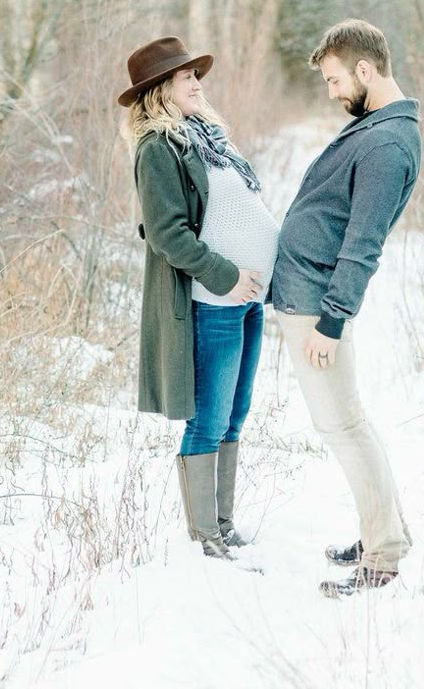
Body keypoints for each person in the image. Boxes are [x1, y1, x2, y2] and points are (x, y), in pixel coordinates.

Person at [272, 19, 421, 598]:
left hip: (317, 307)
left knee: (345, 427)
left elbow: (364, 243)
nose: (333, 93)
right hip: (306, 297)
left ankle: (382, 556)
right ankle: (384, 533)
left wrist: (331, 322)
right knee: (348, 424)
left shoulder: (386, 143)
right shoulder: (376, 127)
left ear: (365, 70)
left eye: (335, 81)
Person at [118, 36, 279, 560]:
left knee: (235, 413)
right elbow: (167, 233)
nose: (196, 82)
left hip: (246, 297)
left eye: (195, 75)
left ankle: (224, 524)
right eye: (186, 76)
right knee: (208, 416)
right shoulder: (157, 149)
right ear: (161, 88)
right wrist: (225, 275)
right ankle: (205, 537)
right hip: (214, 299)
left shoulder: (207, 137)